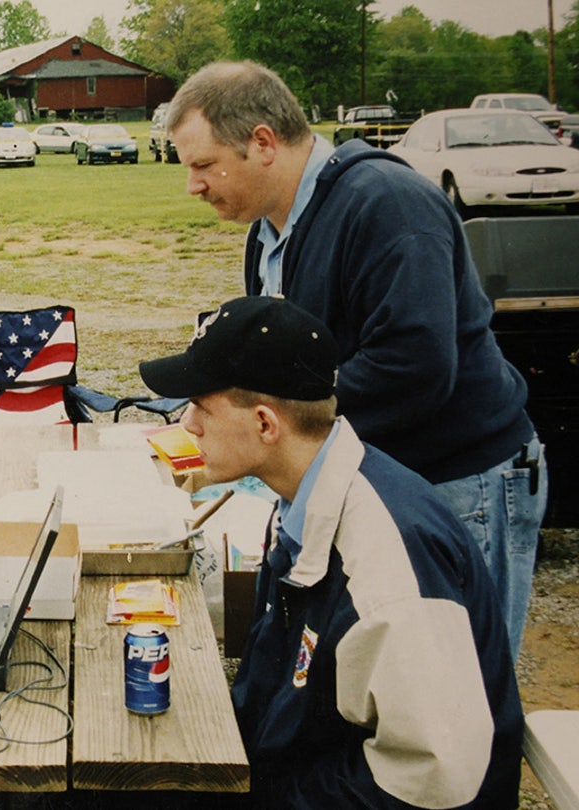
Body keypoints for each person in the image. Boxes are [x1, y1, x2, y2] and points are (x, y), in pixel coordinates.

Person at [166, 60, 547, 660]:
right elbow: (281, 362)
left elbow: (413, 367)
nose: (193, 185)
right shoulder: (269, 229)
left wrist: (273, 432)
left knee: (455, 683)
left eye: (203, 165)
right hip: (376, 474)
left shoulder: (388, 205)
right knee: (383, 665)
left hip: (457, 477)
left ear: (262, 142)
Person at [139, 295, 522, 808]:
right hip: (303, 775)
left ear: (265, 424)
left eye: (202, 409)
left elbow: (436, 777)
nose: (188, 426)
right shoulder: (312, 488)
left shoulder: (384, 561)